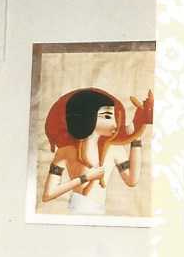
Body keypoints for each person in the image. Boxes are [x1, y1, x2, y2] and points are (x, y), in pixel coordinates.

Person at [42, 86, 153, 215]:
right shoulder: (66, 151)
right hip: (77, 210)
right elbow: (48, 195)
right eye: (107, 116)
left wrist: (136, 138)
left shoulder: (115, 149)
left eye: (113, 117)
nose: (115, 124)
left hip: (100, 212)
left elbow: (132, 180)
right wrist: (85, 178)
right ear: (87, 116)